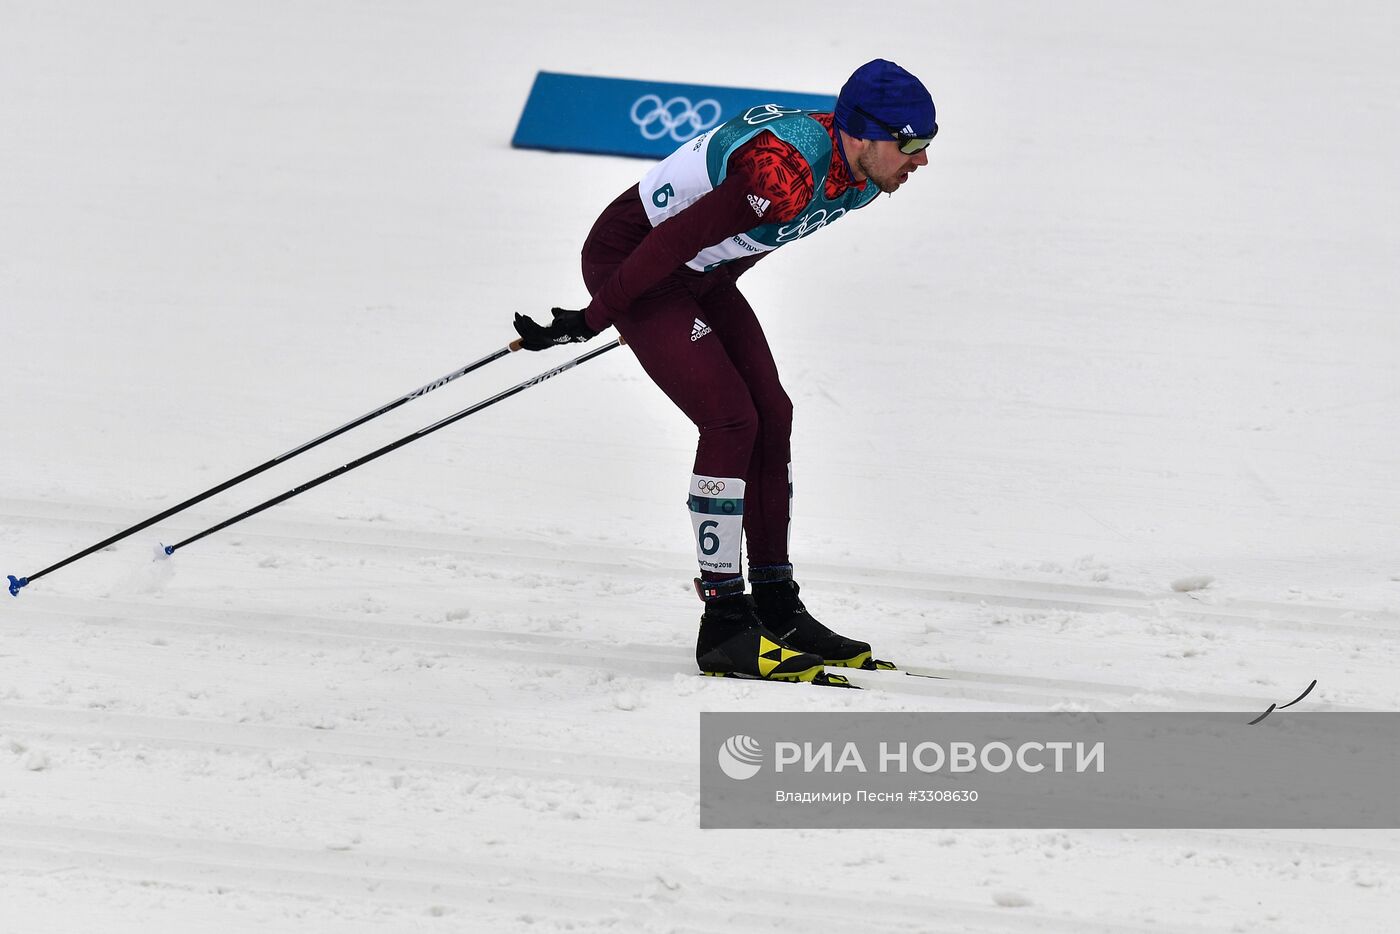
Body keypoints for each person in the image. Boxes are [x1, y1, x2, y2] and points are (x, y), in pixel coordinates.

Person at [513, 59, 937, 684]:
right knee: (731, 421)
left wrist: (707, 302)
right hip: (635, 263)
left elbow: (747, 242)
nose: (921, 161)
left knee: (773, 414)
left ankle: (774, 604)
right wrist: (597, 316)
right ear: (864, 134)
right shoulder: (783, 171)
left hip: (701, 275)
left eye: (927, 145)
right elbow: (669, 242)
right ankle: (725, 625)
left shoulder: (866, 178)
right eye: (911, 144)